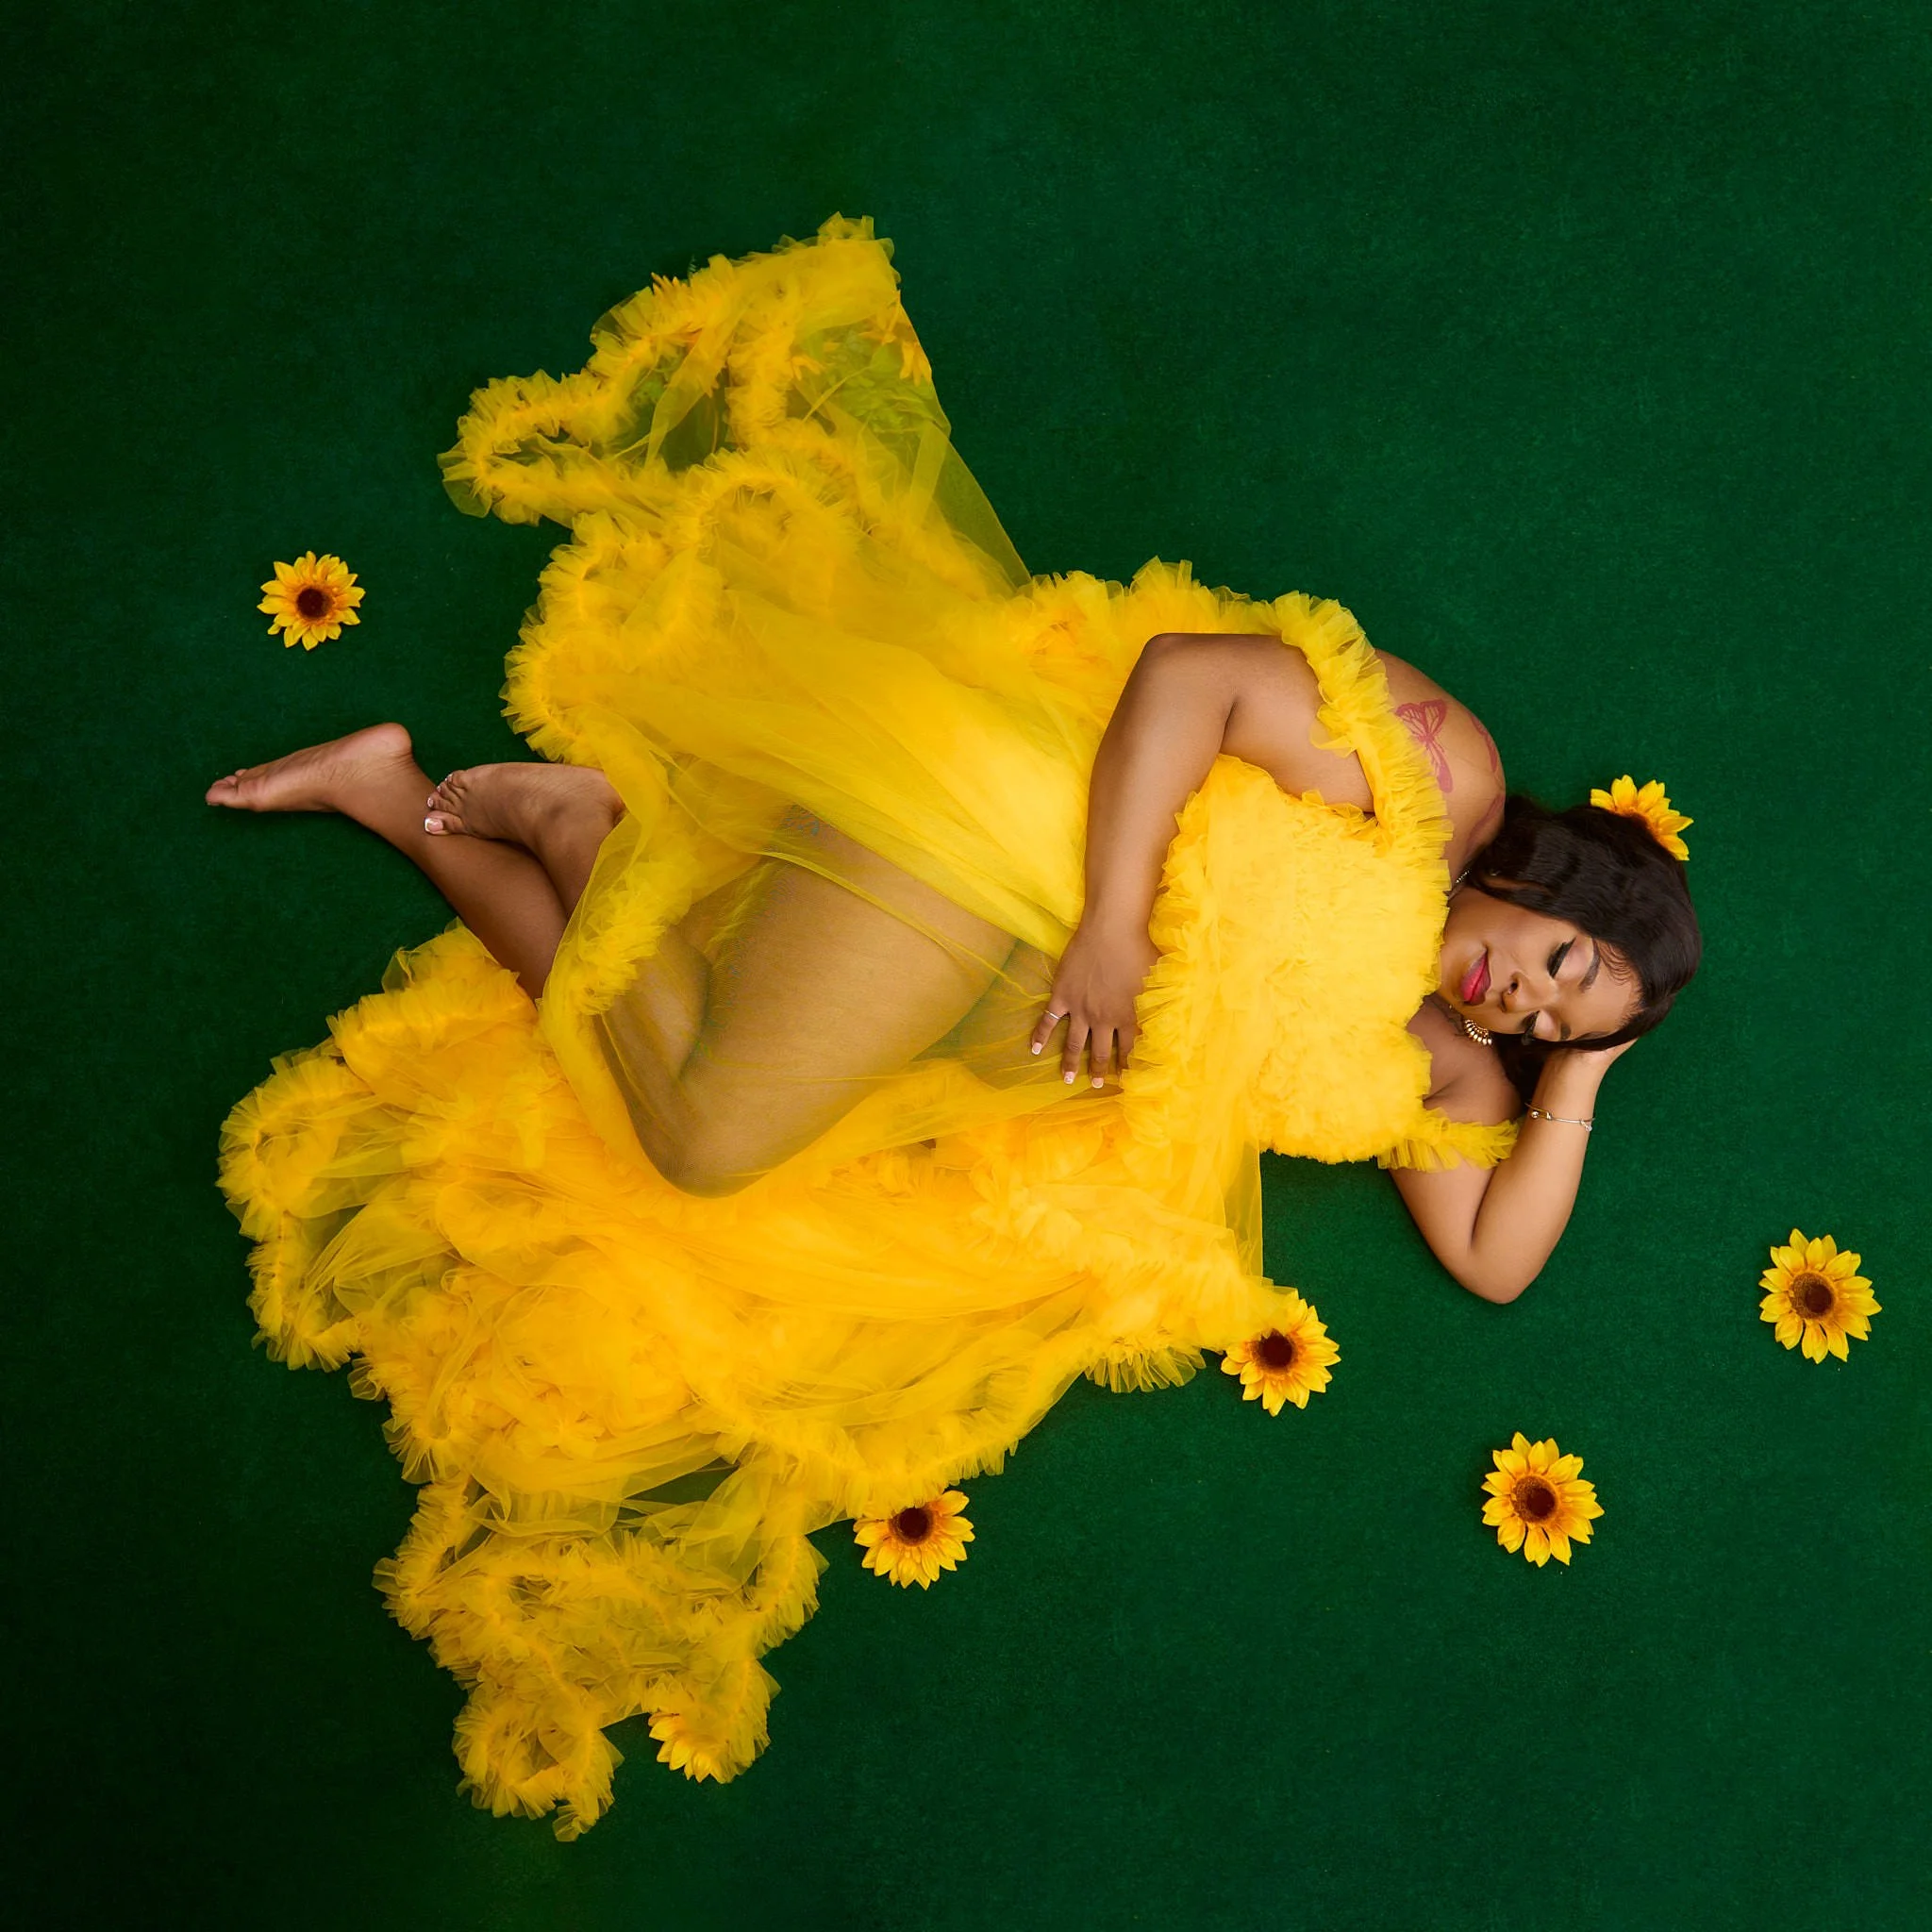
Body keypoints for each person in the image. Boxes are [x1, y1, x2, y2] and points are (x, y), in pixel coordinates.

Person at [209, 217, 1699, 1836]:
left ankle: (419, 800)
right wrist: (1120, 932)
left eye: (1563, 1014)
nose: (1527, 997)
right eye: (1564, 956)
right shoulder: (1434, 785)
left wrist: (1592, 1078)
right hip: (992, 845)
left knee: (697, 1129)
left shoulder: (1438, 1057)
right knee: (704, 1142)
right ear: (1553, 876)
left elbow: (1493, 1257)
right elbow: (1192, 679)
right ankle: (574, 829)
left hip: (960, 1000)